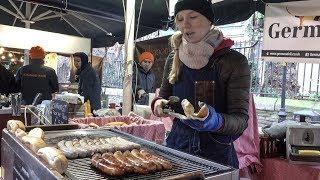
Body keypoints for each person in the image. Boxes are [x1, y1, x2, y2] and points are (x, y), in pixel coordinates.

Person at [151, 0, 250, 169]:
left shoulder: (233, 61)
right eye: (180, 19)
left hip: (216, 154)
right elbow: (164, 96)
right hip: (178, 146)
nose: (185, 24)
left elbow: (240, 120)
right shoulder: (173, 58)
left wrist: (215, 121)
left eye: (193, 17)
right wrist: (158, 103)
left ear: (209, 20)